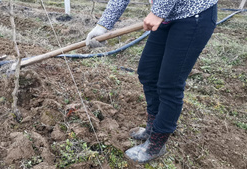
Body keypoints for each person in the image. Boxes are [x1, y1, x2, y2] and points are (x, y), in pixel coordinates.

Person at [86, 0, 218, 164]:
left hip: (193, 15)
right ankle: (152, 128)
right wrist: (103, 25)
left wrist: (158, 12)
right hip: (168, 16)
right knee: (148, 72)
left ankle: (157, 142)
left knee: (170, 83)